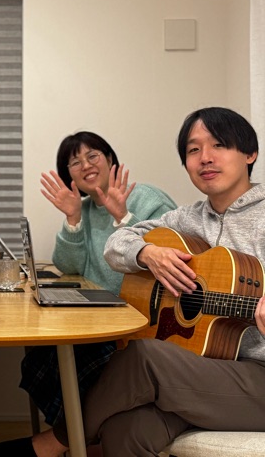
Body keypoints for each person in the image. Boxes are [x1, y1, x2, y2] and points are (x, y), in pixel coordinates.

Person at [0, 131, 177, 456]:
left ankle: (65, 445)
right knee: (43, 356)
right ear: (70, 176)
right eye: (75, 162)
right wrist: (73, 218)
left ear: (110, 159)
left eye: (93, 156)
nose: (86, 165)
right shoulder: (85, 207)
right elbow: (69, 266)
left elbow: (173, 254)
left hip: (144, 320)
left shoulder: (147, 199)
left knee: (82, 360)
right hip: (104, 313)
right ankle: (81, 442)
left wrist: (123, 217)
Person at [82, 106, 265, 456]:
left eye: (219, 145)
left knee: (145, 356)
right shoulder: (186, 218)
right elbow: (115, 245)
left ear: (250, 154)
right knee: (126, 430)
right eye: (193, 150)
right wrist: (147, 253)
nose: (205, 157)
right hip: (208, 368)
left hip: (258, 376)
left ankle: (57, 443)